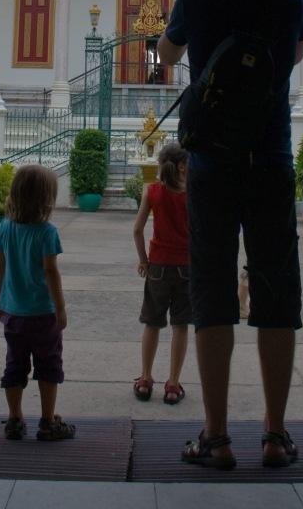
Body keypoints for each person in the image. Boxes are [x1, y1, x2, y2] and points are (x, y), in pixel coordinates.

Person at [157, 0, 303, 470]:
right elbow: (291, 59)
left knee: (213, 293)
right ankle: (274, 433)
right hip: (270, 162)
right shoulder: (290, 5)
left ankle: (216, 436)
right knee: (275, 293)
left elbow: (166, 56)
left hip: (211, 166)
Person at [0, 163, 76, 442]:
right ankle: (47, 421)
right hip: (43, 314)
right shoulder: (47, 232)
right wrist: (61, 308)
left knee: (15, 365)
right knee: (48, 365)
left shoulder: (5, 228)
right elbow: (51, 272)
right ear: (46, 199)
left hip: (14, 314)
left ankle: (15, 420)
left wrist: (0, 300)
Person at [132, 142, 192, 406]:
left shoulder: (152, 192)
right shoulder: (192, 194)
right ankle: (173, 384)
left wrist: (144, 261)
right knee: (180, 326)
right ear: (182, 166)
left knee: (152, 323)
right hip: (187, 266)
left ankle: (145, 379)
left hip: (157, 266)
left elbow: (137, 230)